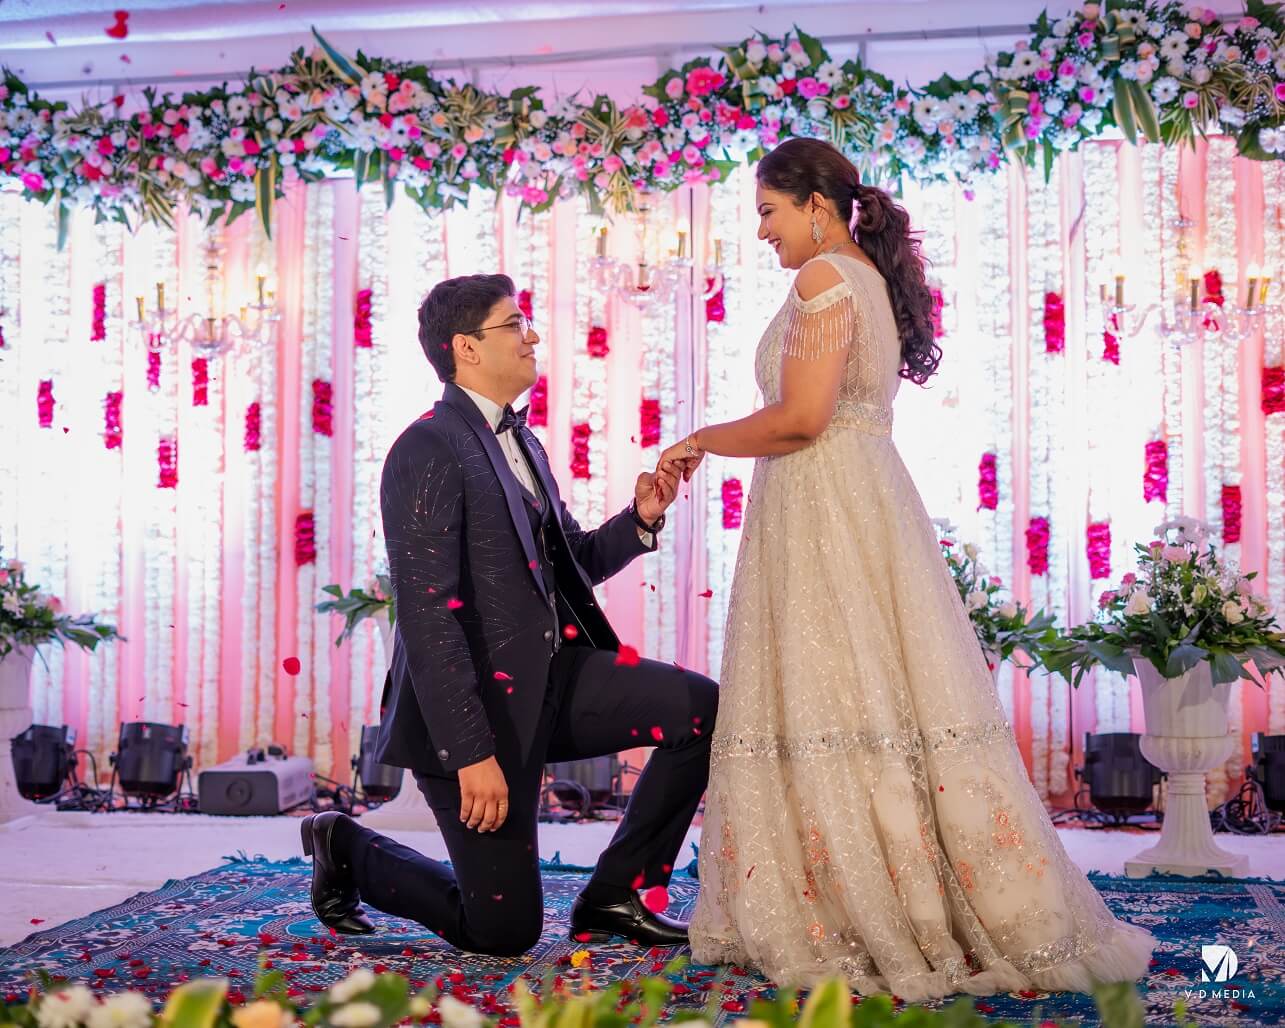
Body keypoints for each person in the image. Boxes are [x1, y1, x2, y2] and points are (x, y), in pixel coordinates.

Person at [656, 138, 1155, 1002]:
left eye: (769, 212)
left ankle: (858, 909)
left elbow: (802, 417)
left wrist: (697, 440)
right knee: (866, 695)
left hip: (825, 504)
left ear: (817, 207)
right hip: (853, 497)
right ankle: (873, 892)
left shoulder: (824, 278)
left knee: (831, 691)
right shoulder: (862, 280)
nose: (762, 232)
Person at [300, 273, 718, 955]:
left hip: (550, 676)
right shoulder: (426, 447)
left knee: (701, 709)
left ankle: (614, 895)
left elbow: (570, 562)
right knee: (502, 931)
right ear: (466, 347)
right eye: (515, 323)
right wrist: (471, 755)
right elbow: (428, 618)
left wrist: (641, 517)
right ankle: (344, 846)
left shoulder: (523, 442)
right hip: (476, 713)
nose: (532, 336)